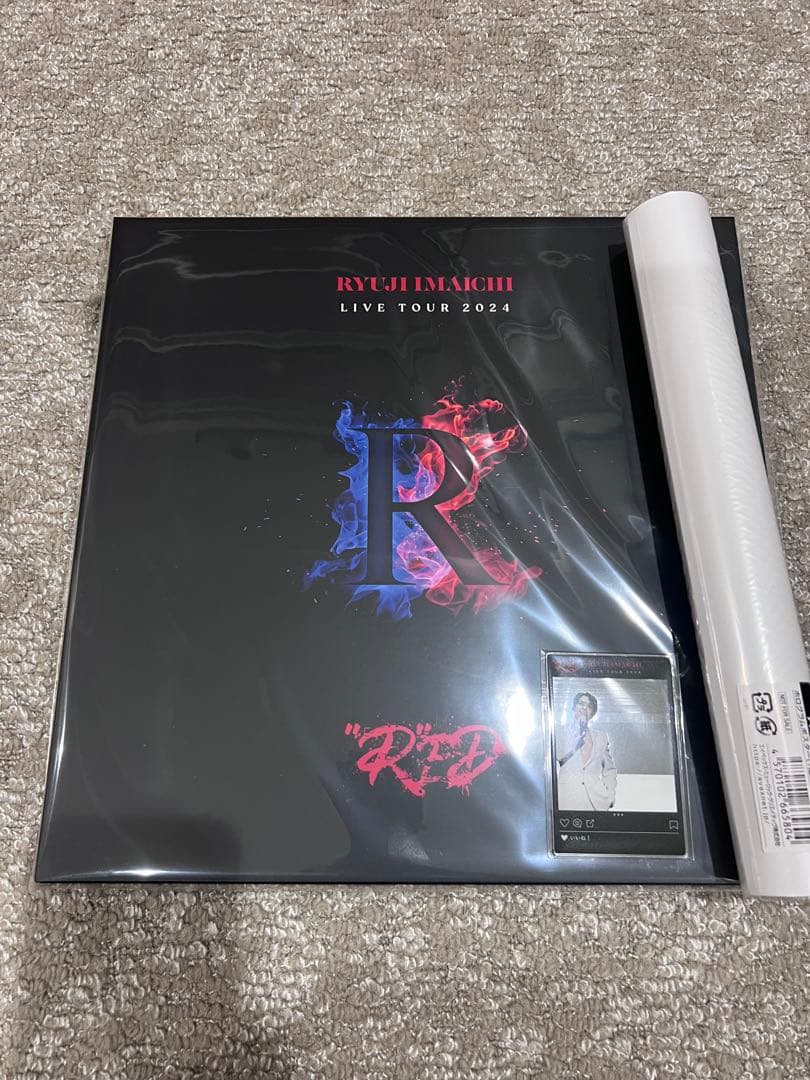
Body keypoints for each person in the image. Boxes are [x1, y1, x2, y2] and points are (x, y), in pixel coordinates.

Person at [556, 691, 617, 812]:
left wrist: (610, 795)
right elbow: (559, 757)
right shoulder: (560, 732)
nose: (584, 708)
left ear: (592, 713)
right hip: (566, 799)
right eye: (581, 703)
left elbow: (610, 770)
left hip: (595, 801)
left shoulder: (601, 737)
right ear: (574, 707)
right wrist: (577, 733)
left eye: (589, 706)